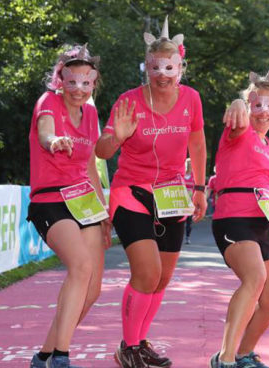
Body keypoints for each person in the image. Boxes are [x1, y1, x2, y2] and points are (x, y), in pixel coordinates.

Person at [94, 17, 207, 368]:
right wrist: (118, 136)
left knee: (162, 278)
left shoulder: (191, 99)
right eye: (155, 67)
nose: (162, 74)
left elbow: (198, 143)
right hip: (132, 192)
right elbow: (102, 151)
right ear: (147, 67)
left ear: (180, 68)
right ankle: (127, 348)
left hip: (172, 194)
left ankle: (140, 342)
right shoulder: (128, 101)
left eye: (169, 68)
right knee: (146, 273)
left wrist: (200, 188)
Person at [26, 44, 111, 368]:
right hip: (50, 200)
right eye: (72, 81)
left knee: (92, 289)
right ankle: (61, 357)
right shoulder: (48, 103)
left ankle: (44, 354)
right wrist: (53, 142)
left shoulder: (90, 113)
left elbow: (90, 165)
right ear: (61, 78)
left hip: (84, 200)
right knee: (80, 267)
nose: (78, 89)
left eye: (85, 83)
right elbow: (46, 132)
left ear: (94, 82)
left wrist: (103, 212)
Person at [210, 63, 269, 368]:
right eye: (257, 104)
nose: (263, 111)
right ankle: (225, 358)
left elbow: (267, 194)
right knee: (254, 278)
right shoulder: (239, 129)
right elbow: (236, 114)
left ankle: (244, 354)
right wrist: (237, 103)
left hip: (263, 224)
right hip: (234, 218)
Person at [183, 158, 195, 244]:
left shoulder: (194, 176)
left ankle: (187, 237)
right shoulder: (181, 175)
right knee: (180, 221)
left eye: (190, 164)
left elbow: (196, 189)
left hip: (190, 202)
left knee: (189, 221)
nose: (189, 166)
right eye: (187, 164)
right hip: (181, 201)